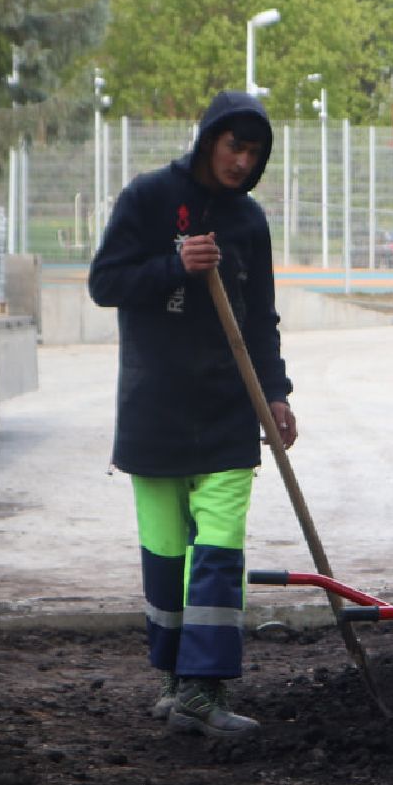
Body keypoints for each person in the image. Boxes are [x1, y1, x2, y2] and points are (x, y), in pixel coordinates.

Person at [87, 90, 295, 738]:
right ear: (208, 139)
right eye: (235, 145)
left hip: (228, 411)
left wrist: (276, 393)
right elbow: (105, 283)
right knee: (165, 554)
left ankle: (204, 691)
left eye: (254, 152)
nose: (242, 161)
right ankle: (176, 679)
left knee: (218, 550)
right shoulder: (148, 200)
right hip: (155, 410)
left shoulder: (249, 223)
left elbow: (259, 319)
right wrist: (173, 266)